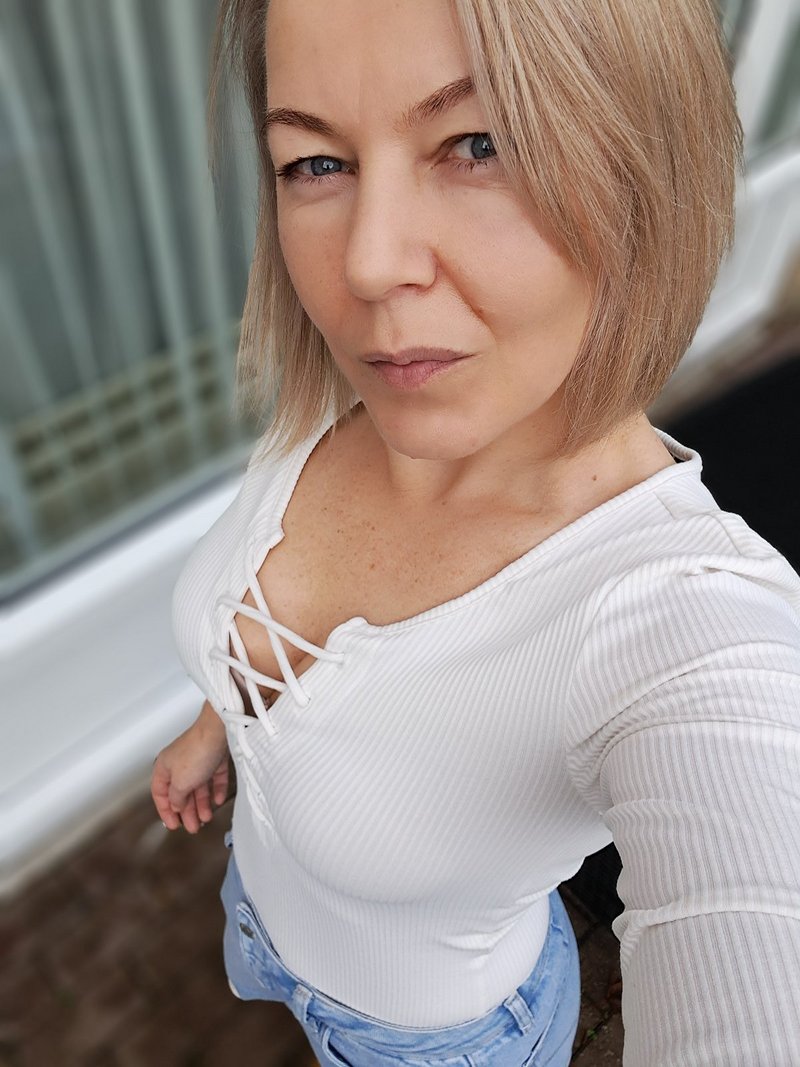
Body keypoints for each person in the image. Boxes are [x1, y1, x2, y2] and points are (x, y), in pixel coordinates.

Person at [151, 0, 800, 1063]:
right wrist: (217, 722)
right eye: (315, 162)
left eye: (477, 143)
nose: (366, 265)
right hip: (261, 924)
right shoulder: (342, 395)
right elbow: (281, 644)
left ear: (648, 164)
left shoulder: (683, 620)